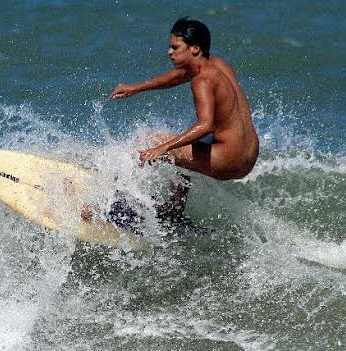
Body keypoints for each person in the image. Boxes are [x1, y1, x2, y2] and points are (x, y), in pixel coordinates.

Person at [108, 18, 260, 222]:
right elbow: (178, 76)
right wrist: (137, 87)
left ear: (195, 48)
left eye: (175, 47)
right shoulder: (217, 64)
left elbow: (206, 125)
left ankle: (110, 205)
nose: (169, 52)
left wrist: (163, 147)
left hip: (229, 161)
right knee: (181, 144)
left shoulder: (202, 80)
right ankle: (174, 211)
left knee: (151, 141)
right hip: (248, 154)